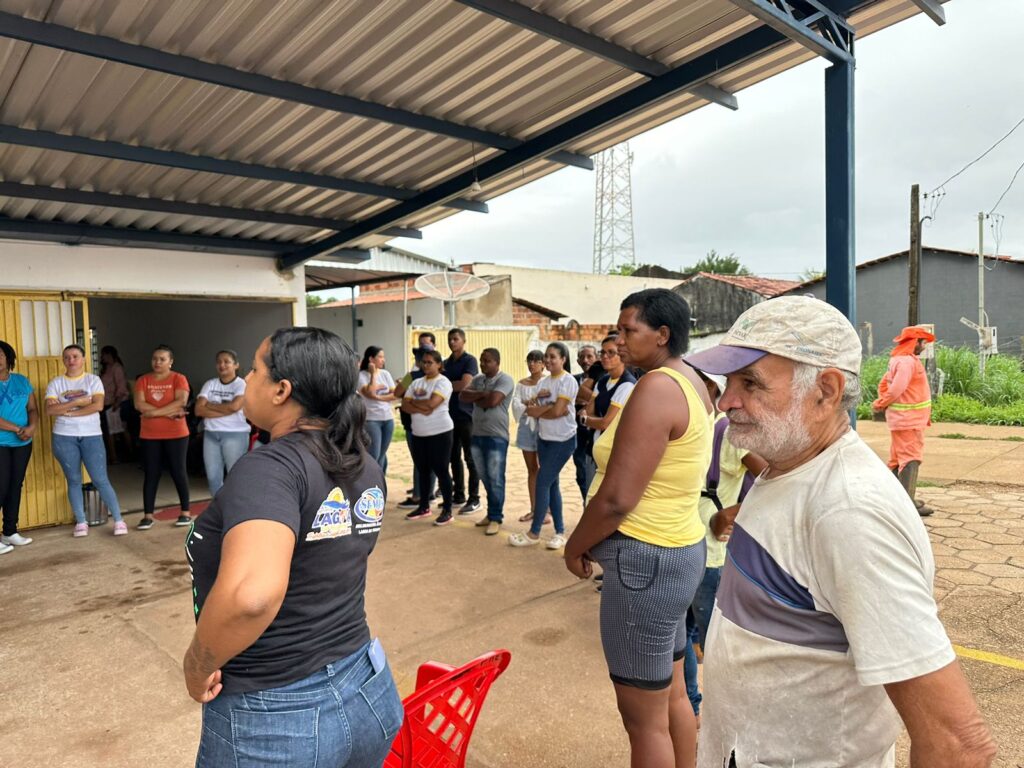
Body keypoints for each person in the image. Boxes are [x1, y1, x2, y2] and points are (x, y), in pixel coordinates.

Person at [683, 295, 995, 768]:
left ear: (825, 391)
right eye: (728, 382)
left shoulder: (849, 512)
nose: (726, 401)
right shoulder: (788, 465)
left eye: (750, 382)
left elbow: (958, 744)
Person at [183, 327, 402, 767]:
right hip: (367, 690)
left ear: (281, 390)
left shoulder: (269, 469)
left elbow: (251, 597)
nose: (246, 379)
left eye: (254, 370)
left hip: (277, 715)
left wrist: (197, 664)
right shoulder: (362, 463)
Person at [564, 289, 712, 768]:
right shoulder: (691, 381)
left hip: (645, 562)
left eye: (629, 330)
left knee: (643, 721)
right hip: (676, 550)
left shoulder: (657, 388)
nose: (620, 340)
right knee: (671, 696)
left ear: (662, 334)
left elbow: (617, 499)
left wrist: (575, 546)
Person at [46, 344, 127, 537]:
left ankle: (118, 520)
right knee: (73, 480)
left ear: (83, 359)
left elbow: (97, 406)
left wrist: (66, 411)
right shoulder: (56, 383)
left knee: (100, 479)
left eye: (75, 356)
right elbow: (50, 410)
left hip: (91, 435)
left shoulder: (93, 380)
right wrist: (78, 402)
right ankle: (81, 522)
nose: (71, 360)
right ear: (63, 360)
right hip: (64, 437)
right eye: (67, 357)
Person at [508, 342, 578, 550]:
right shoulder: (543, 383)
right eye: (546, 356)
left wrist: (547, 409)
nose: (548, 360)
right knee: (552, 484)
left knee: (542, 482)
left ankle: (534, 532)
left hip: (563, 441)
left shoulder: (568, 381)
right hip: (544, 439)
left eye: (552, 357)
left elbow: (558, 412)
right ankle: (560, 532)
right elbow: (530, 409)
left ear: (563, 359)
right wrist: (550, 407)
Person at [872, 325, 937, 516]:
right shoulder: (907, 362)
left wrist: (882, 401)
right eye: (923, 342)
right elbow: (896, 388)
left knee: (896, 459)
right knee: (911, 458)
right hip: (909, 421)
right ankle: (907, 506)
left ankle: (891, 500)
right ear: (915, 342)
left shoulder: (899, 360)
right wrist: (882, 402)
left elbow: (884, 384)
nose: (924, 346)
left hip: (904, 420)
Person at [134, 344, 192, 529]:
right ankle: (147, 516)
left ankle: (185, 512)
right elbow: (139, 404)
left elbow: (181, 401)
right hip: (149, 434)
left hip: (177, 434)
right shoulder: (143, 380)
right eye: (154, 359)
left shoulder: (179, 378)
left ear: (170, 361)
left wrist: (153, 413)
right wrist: (167, 413)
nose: (157, 362)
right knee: (151, 473)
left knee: (178, 471)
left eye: (162, 359)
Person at [460, 348, 515, 535]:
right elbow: (462, 396)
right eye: (482, 360)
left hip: (496, 436)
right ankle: (491, 513)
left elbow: (493, 401)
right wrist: (483, 394)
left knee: (496, 478)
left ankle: (496, 517)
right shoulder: (478, 379)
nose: (483, 364)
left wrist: (479, 396)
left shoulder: (505, 380)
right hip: (477, 434)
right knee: (484, 476)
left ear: (497, 362)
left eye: (487, 361)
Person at [401, 349, 455, 526]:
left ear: (439, 364)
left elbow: (433, 404)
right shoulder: (415, 381)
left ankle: (447, 510)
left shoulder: (443, 382)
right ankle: (424, 506)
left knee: (441, 470)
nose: (425, 365)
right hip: (419, 433)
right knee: (423, 470)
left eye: (430, 362)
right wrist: (422, 407)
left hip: (440, 432)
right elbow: (404, 405)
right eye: (423, 362)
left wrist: (415, 403)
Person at [0, 340, 38, 553]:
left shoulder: (22, 381)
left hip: (23, 443)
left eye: (0, 355)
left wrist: (31, 427)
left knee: (15, 485)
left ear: (8, 358)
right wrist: (17, 428)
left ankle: (10, 531)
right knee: (1, 486)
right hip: (2, 442)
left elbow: (32, 408)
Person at [195, 350, 249, 497]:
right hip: (211, 434)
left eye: (226, 362)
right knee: (213, 477)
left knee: (235, 476)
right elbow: (198, 410)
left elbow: (235, 407)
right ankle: (218, 507)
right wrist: (227, 409)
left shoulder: (242, 384)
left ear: (236, 365)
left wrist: (209, 405)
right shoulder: (210, 384)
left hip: (235, 435)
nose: (222, 365)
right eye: (219, 362)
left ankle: (236, 508)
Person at [395, 333, 437, 509]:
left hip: (415, 425)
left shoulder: (411, 376)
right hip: (434, 424)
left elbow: (397, 392)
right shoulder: (439, 377)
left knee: (419, 461)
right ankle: (429, 494)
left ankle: (418, 496)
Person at [511, 350, 550, 525]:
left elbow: (548, 404)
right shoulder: (521, 384)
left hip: (544, 428)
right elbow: (516, 405)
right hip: (526, 428)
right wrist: (531, 404)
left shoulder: (548, 382)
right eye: (529, 361)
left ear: (543, 364)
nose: (532, 364)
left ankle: (546, 509)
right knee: (532, 469)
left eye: (536, 361)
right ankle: (534, 509)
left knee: (545, 469)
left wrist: (529, 405)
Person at [443, 328, 480, 514]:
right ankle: (459, 495)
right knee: (453, 457)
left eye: (456, 339)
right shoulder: (445, 363)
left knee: (470, 458)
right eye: (450, 339)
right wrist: (450, 385)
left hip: (466, 416)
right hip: (448, 416)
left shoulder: (469, 360)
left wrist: (444, 386)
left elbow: (465, 384)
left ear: (463, 341)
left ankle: (475, 498)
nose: (452, 342)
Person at [582, 335, 637, 445]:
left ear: (622, 354)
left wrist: (585, 420)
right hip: (595, 443)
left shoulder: (627, 384)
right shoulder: (602, 381)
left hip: (613, 447)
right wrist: (595, 420)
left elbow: (605, 424)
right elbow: (589, 412)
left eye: (611, 352)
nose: (604, 356)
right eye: (602, 352)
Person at [357, 346, 397, 473]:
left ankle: (380, 480)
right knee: (374, 454)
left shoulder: (386, 374)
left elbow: (395, 394)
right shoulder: (361, 376)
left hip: (388, 418)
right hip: (371, 419)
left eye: (383, 357)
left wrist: (378, 397)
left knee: (382, 454)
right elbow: (369, 393)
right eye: (380, 357)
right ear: (371, 359)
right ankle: (372, 480)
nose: (383, 360)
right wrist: (373, 374)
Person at [572, 344, 599, 502]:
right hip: (579, 434)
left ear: (597, 358)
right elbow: (571, 401)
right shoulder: (573, 380)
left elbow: (601, 401)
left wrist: (586, 400)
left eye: (589, 356)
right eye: (582, 357)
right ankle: (586, 505)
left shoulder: (604, 379)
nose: (585, 360)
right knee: (581, 473)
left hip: (598, 432)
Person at [99, 345, 133, 461]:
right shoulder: (106, 368)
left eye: (104, 354)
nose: (102, 357)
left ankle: (127, 454)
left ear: (109, 355)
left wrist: (117, 403)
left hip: (118, 403)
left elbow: (121, 387)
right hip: (107, 402)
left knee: (120, 429)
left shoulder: (117, 368)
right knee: (110, 430)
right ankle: (114, 456)